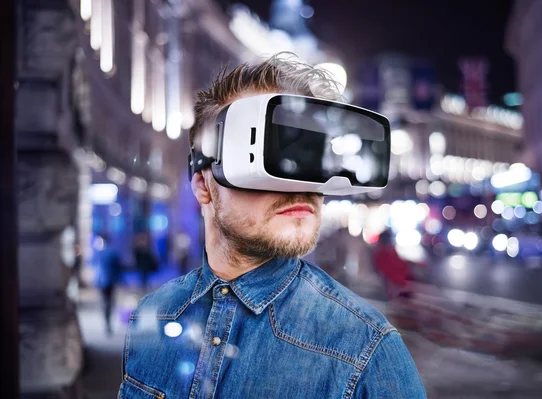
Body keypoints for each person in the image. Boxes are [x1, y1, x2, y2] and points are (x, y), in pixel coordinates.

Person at [119, 54, 425, 398]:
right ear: (204, 185)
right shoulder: (152, 315)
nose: (302, 186)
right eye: (274, 155)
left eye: (312, 159)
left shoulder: (365, 350)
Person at [95, 234, 122, 336]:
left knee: (106, 302)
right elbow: (118, 268)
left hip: (104, 282)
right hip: (109, 281)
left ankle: (107, 322)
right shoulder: (111, 253)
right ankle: (108, 322)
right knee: (109, 302)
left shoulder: (100, 253)